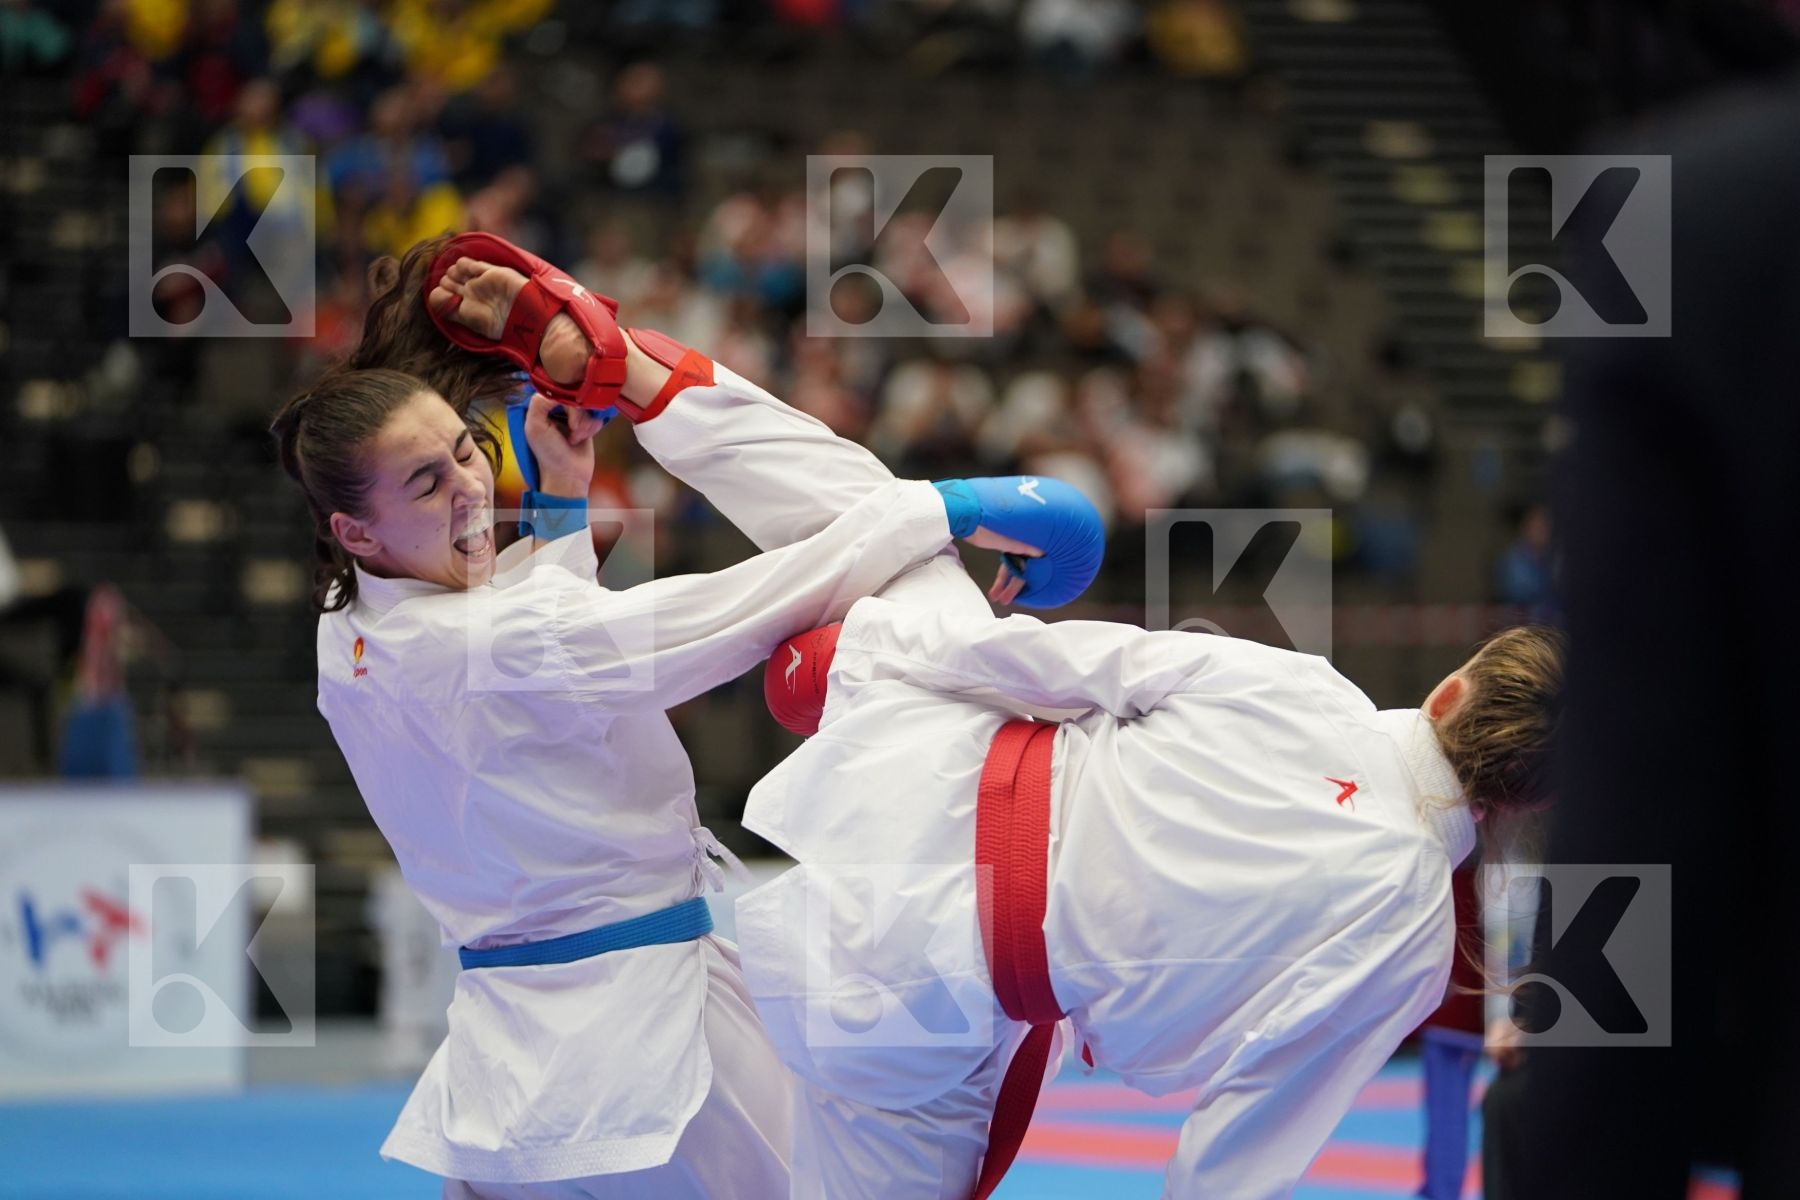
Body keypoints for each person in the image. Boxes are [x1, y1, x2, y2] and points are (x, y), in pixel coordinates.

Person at [269, 231, 1101, 1199]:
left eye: (465, 451)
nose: (469, 491)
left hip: (519, 1043)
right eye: (428, 483)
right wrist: (950, 507)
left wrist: (560, 509)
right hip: (641, 1044)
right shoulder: (494, 642)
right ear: (354, 530)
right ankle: (633, 365)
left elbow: (538, 682)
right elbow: (745, 608)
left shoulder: (347, 633)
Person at [736, 588, 1562, 1199]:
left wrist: (862, 655)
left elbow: (1059, 662)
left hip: (905, 793)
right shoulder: (1414, 943)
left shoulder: (1304, 686)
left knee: (929, 556)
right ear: (1525, 807)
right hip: (928, 998)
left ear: (1448, 692)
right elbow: (1242, 1141)